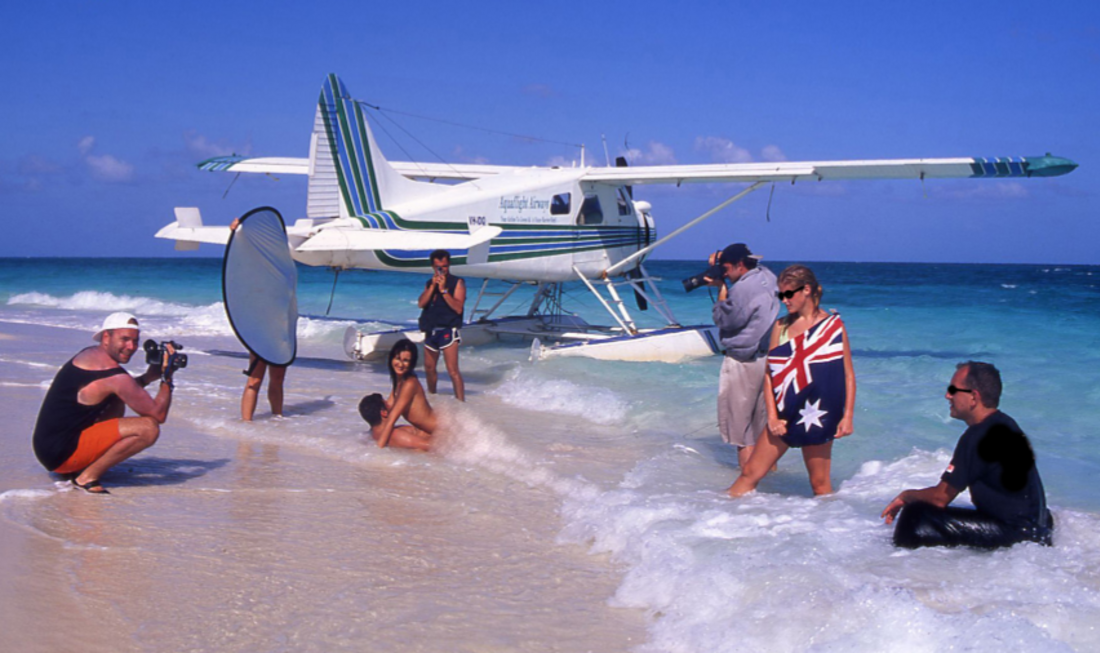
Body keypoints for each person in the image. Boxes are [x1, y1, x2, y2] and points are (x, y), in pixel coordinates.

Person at [881, 362, 1054, 549]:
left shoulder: (978, 436)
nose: (948, 396)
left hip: (1017, 536)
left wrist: (906, 495)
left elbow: (940, 498)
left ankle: (896, 564)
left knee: (916, 514)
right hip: (1039, 528)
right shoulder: (1005, 424)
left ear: (973, 397)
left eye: (953, 390)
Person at [727, 265, 856, 497]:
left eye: (788, 294)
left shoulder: (834, 327)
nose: (784, 300)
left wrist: (847, 417)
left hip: (818, 413)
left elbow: (847, 374)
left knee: (820, 485)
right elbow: (770, 375)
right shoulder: (781, 326)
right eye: (780, 295)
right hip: (785, 415)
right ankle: (714, 517)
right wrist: (773, 417)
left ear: (806, 290)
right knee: (749, 475)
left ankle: (829, 530)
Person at [31, 312, 178, 494]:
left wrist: (148, 377)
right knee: (149, 428)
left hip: (48, 449)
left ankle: (82, 466)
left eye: (135, 341)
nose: (131, 347)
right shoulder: (115, 376)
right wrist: (167, 378)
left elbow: (119, 388)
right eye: (124, 339)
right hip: (62, 455)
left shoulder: (89, 354)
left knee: (117, 401)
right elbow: (158, 415)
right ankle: (86, 477)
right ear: (106, 337)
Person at [709, 243, 780, 468]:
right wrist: (722, 258)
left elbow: (725, 320)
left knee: (742, 433)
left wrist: (722, 291)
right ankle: (770, 484)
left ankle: (747, 488)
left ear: (740, 265)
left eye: (727, 268)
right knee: (763, 429)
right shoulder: (768, 276)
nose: (726, 274)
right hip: (766, 358)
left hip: (743, 361)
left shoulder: (741, 290)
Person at [370, 339, 438, 449]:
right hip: (431, 432)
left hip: (442, 433)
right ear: (391, 358)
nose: (400, 364)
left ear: (411, 363)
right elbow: (388, 410)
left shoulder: (410, 384)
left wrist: (378, 451)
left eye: (406, 361)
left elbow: (392, 418)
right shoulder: (399, 381)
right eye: (398, 358)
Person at [417, 249, 466, 401]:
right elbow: (421, 303)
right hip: (431, 330)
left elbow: (458, 307)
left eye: (444, 266)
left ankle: (461, 402)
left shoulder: (457, 282)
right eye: (439, 267)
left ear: (449, 265)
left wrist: (444, 290)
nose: (442, 270)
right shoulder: (429, 283)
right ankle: (432, 397)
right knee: (429, 368)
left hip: (448, 330)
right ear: (433, 267)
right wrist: (433, 287)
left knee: (452, 370)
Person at [358, 393, 431, 451]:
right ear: (384, 413)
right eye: (387, 404)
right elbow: (431, 446)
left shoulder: (370, 435)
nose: (391, 405)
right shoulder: (395, 435)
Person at [241, 354, 287, 421]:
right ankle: (246, 422)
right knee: (254, 381)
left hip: (281, 344)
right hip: (260, 344)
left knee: (278, 379)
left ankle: (277, 418)